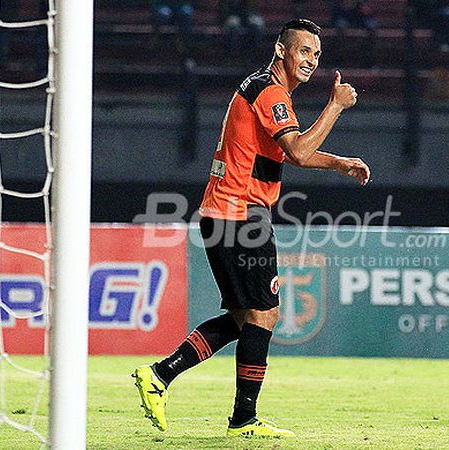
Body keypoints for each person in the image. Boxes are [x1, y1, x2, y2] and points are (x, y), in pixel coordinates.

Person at [133, 18, 370, 438]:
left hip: (222, 212)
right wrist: (335, 105)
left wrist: (338, 162)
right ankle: (243, 420)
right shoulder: (270, 91)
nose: (311, 61)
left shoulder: (261, 88)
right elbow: (297, 148)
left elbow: (291, 154)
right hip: (242, 214)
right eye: (303, 51)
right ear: (282, 50)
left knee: (246, 317)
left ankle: (160, 375)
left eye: (316, 54)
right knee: (265, 314)